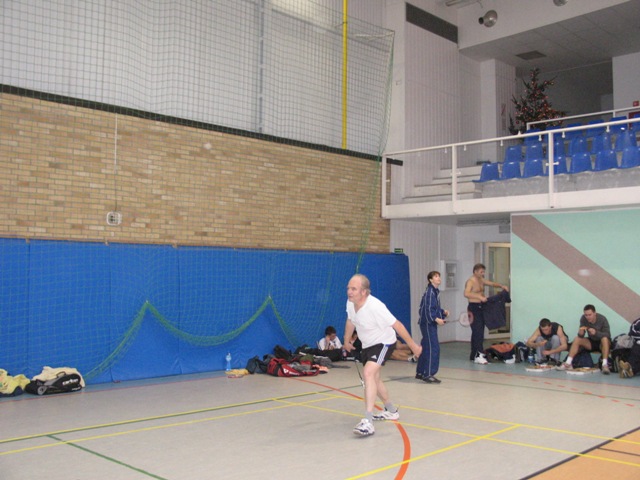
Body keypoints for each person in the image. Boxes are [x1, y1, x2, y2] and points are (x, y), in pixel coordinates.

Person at [343, 274, 422, 436]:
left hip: (383, 343)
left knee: (368, 373)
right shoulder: (351, 303)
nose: (349, 292)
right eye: (348, 288)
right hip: (367, 344)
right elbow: (350, 321)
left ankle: (368, 421)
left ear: (364, 292)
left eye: (354, 289)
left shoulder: (375, 306)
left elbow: (397, 325)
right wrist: (346, 340)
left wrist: (413, 346)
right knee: (375, 379)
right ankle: (391, 410)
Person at [464, 263, 509, 364]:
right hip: (474, 308)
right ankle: (479, 354)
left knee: (478, 331)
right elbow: (466, 293)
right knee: (477, 331)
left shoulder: (481, 279)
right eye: (481, 272)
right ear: (475, 272)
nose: (483, 274)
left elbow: (491, 283)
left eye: (483, 272)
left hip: (481, 307)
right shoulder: (470, 281)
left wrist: (501, 286)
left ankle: (474, 355)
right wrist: (479, 297)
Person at [557, 304, 612, 374]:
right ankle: (568, 363)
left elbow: (607, 334)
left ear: (595, 313)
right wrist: (580, 333)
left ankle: (605, 365)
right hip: (591, 341)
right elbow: (581, 336)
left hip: (603, 343)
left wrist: (596, 333)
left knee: (604, 339)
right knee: (577, 339)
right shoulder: (583, 318)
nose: (588, 317)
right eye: (586, 315)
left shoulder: (602, 319)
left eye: (590, 315)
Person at [416, 271, 449, 384]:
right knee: (433, 348)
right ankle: (428, 374)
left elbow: (433, 308)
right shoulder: (430, 292)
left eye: (439, 276)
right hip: (428, 324)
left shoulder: (434, 291)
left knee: (426, 347)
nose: (439, 278)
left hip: (428, 323)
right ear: (430, 280)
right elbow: (427, 310)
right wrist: (436, 319)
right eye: (436, 276)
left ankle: (420, 372)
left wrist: (442, 312)